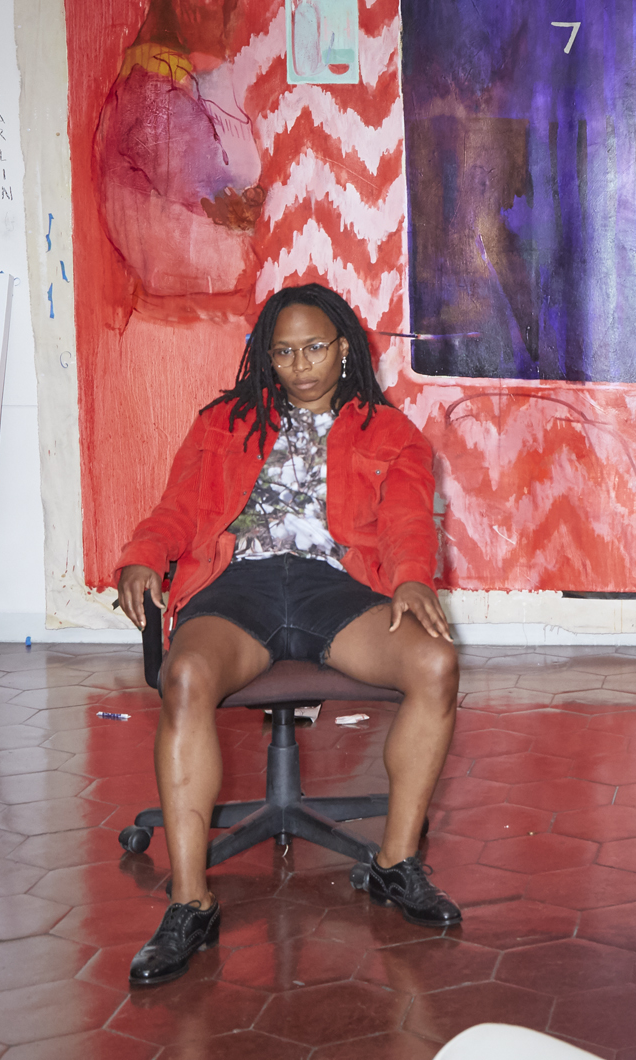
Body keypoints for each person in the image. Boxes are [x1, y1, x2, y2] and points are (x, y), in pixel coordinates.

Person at [114, 282, 460, 986]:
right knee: (184, 678)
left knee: (434, 664)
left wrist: (414, 578)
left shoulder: (390, 433)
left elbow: (404, 523)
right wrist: (143, 559)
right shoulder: (222, 424)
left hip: (337, 586)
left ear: (343, 349)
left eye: (314, 348)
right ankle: (190, 903)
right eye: (283, 352)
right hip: (239, 583)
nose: (299, 364)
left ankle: (394, 866)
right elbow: (175, 509)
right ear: (266, 359)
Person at [96, 0, 266, 299]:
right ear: (171, 9)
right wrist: (212, 60)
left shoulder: (180, 84)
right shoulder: (148, 91)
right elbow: (225, 179)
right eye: (199, 10)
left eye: (219, 9)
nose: (216, 24)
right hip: (180, 302)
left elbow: (242, 178)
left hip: (205, 296)